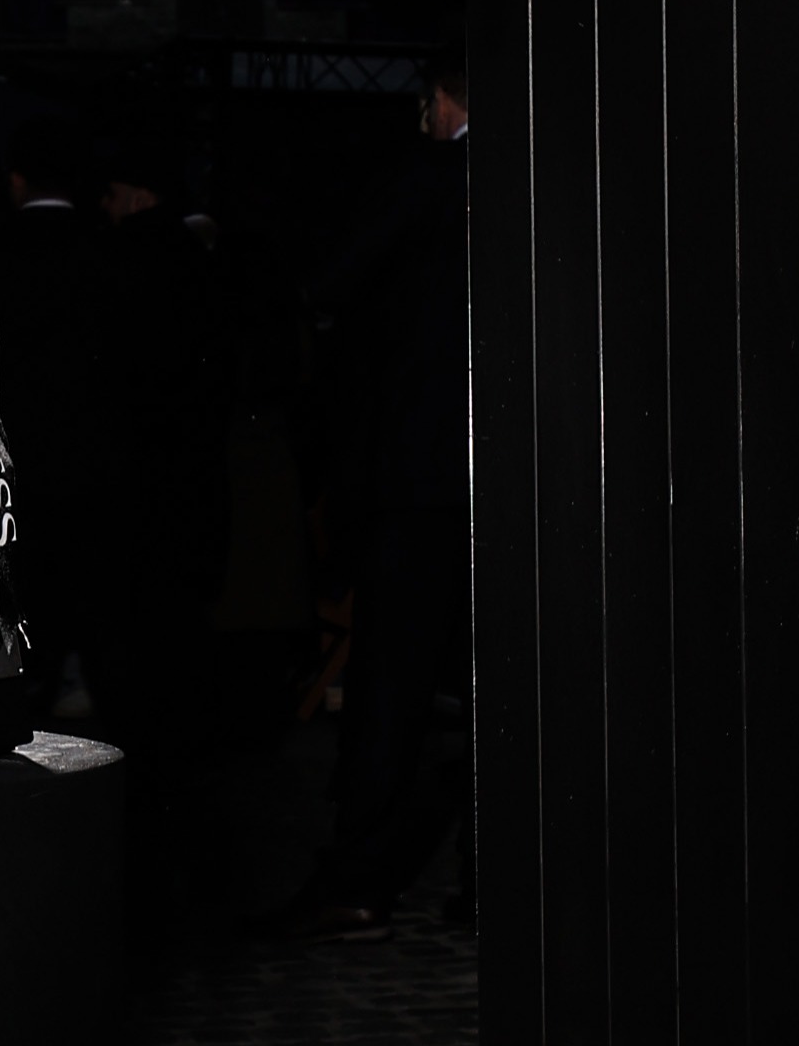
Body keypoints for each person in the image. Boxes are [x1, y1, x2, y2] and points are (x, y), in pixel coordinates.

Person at [286, 57, 472, 938]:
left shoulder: (432, 177)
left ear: (443, 101)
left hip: (420, 476)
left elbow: (328, 281)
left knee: (392, 687)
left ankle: (359, 879)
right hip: (515, 481)